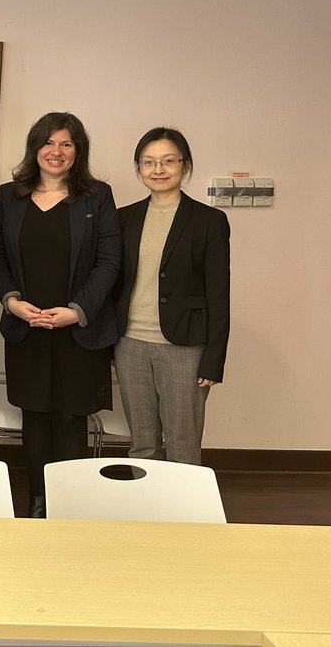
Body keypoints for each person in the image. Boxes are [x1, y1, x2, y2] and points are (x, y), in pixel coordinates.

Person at [0, 111, 120, 517]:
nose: (56, 151)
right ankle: (38, 505)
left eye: (66, 143)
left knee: (68, 420)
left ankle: (70, 508)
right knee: (35, 420)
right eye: (48, 143)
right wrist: (11, 300)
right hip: (27, 328)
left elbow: (109, 262)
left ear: (78, 151)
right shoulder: (11, 196)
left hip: (77, 331)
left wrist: (77, 311)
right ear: (35, 148)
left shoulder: (97, 196)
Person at [113, 127, 230, 465]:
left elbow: (219, 294)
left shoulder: (209, 221)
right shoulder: (124, 219)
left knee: (182, 443)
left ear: (185, 165)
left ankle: (186, 517)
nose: (158, 170)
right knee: (141, 445)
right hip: (130, 344)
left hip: (185, 348)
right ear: (138, 168)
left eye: (167, 161)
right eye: (148, 162)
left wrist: (214, 359)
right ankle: (145, 513)